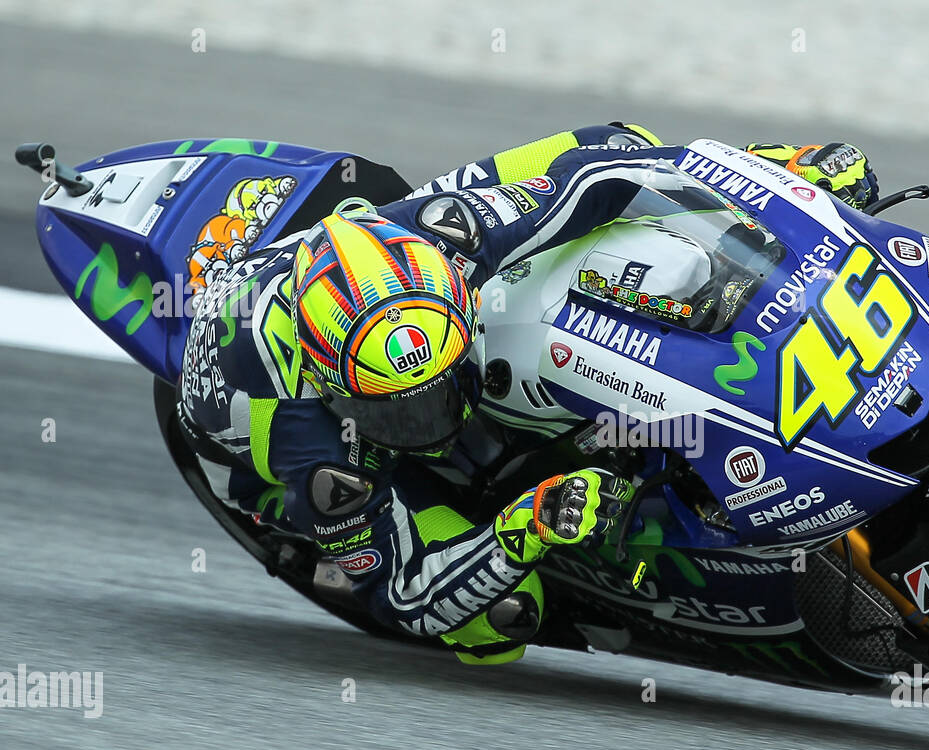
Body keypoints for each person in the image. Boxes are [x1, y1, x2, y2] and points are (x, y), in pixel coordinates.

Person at [177, 123, 878, 664]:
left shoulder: (457, 234)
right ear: (334, 386)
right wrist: (528, 525)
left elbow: (603, 171)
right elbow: (407, 591)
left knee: (610, 141)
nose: (434, 421)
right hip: (257, 448)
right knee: (500, 625)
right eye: (398, 410)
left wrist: (776, 177)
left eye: (442, 387)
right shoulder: (314, 445)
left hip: (382, 263)